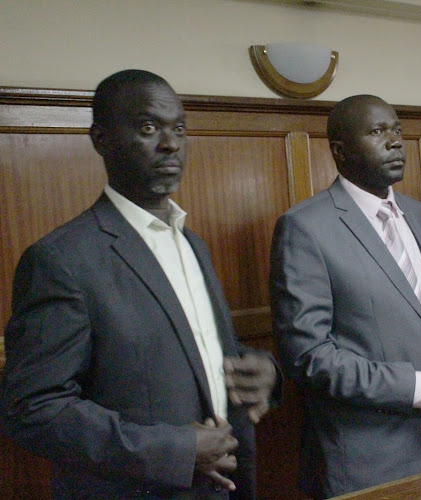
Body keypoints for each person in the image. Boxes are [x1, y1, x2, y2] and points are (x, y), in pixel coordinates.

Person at [0, 69, 280, 498]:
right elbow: (32, 409)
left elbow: (196, 356)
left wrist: (264, 373)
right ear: (101, 139)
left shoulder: (193, 245)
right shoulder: (60, 260)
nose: (170, 144)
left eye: (179, 129)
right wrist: (172, 450)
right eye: (149, 127)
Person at [270, 94, 421, 498]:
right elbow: (308, 357)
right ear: (339, 151)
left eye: (396, 129)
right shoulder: (305, 228)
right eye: (378, 131)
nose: (396, 141)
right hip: (371, 463)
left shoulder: (418, 214)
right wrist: (420, 388)